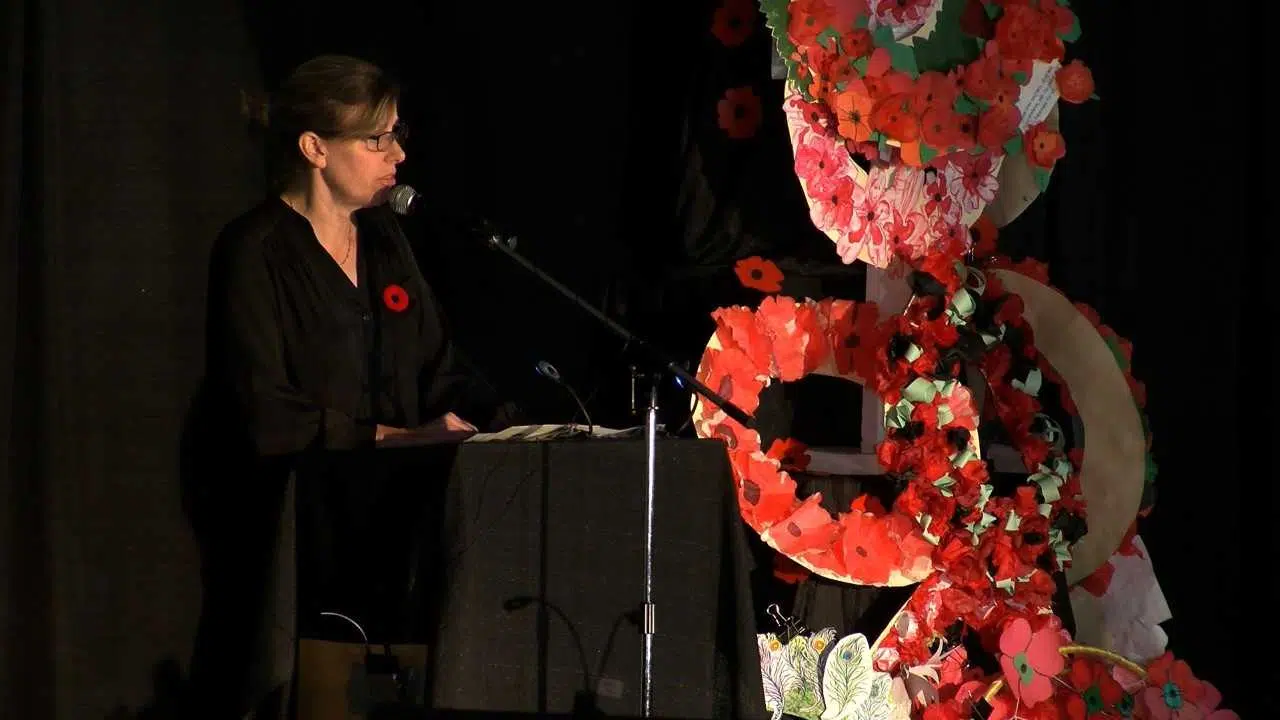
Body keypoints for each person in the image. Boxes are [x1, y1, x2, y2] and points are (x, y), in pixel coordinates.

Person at [183, 54, 512, 718]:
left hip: (397, 533)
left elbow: (438, 368)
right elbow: (266, 413)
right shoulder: (254, 251)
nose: (397, 153)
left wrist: (511, 425)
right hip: (297, 539)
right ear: (314, 149)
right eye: (375, 138)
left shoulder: (387, 241)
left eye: (395, 134)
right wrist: (396, 438)